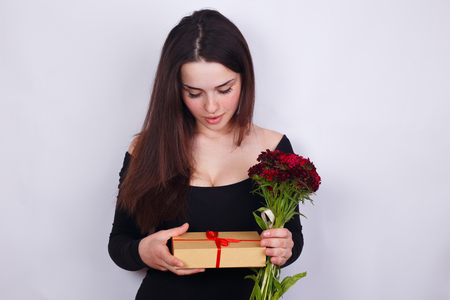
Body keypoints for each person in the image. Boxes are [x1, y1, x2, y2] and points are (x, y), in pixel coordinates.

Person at [108, 9, 304, 300]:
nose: (211, 107)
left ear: (244, 79)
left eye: (224, 89)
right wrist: (143, 251)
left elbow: (292, 241)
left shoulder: (273, 149)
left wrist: (285, 247)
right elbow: (119, 243)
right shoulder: (146, 148)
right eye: (194, 93)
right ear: (175, 89)